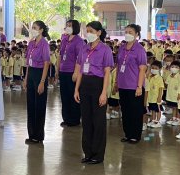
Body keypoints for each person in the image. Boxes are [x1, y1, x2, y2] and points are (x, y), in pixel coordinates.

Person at [74, 21, 113, 164]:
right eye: (86, 30)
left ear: (98, 33)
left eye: (90, 31)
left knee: (98, 121)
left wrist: (104, 93)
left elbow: (107, 72)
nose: (87, 33)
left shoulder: (105, 50)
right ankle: (88, 152)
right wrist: (76, 89)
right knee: (87, 120)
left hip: (98, 85)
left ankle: (97, 154)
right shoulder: (84, 49)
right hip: (85, 84)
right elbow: (80, 71)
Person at [115, 24, 147, 143]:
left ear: (137, 35)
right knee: (125, 111)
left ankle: (135, 135)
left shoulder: (139, 49)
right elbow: (119, 65)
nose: (127, 34)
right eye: (126, 31)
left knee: (135, 112)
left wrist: (139, 86)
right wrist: (116, 82)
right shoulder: (122, 47)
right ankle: (127, 133)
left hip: (134, 86)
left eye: (131, 32)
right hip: (123, 85)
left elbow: (142, 69)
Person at [23, 21, 51, 144]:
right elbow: (28, 62)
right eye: (32, 27)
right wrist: (25, 78)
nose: (32, 29)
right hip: (31, 73)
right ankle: (31, 134)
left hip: (40, 74)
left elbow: (46, 63)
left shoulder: (44, 44)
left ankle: (38, 135)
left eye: (35, 28)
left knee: (39, 105)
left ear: (41, 30)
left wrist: (42, 81)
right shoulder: (31, 43)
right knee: (30, 104)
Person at [56, 19, 84, 127]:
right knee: (64, 96)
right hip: (63, 71)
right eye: (66, 25)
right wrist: (57, 70)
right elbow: (60, 55)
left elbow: (80, 59)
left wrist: (76, 73)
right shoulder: (64, 39)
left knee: (73, 95)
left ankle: (74, 119)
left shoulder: (79, 41)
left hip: (72, 72)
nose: (67, 27)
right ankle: (66, 118)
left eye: (70, 25)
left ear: (75, 27)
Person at [145, 60, 164, 128]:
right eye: (152, 68)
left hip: (156, 97)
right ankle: (153, 120)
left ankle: (158, 121)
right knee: (153, 110)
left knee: (157, 110)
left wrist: (159, 97)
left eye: (156, 68)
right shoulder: (150, 76)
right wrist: (149, 68)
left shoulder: (159, 78)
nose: (154, 70)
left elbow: (161, 88)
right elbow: (146, 76)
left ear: (159, 69)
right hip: (151, 97)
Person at [165, 61, 180, 126]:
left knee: (178, 108)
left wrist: (179, 95)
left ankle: (178, 119)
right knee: (173, 108)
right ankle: (173, 118)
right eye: (172, 67)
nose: (174, 68)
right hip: (170, 96)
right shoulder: (169, 75)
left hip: (177, 96)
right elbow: (166, 83)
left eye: (176, 67)